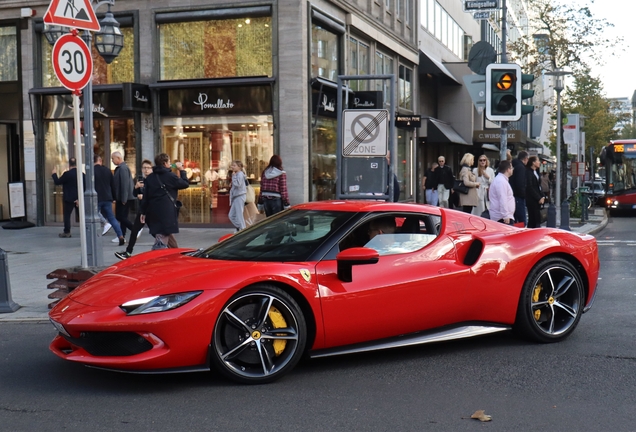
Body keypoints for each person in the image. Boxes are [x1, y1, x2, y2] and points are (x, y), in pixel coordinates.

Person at [140, 153, 189, 248]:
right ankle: (158, 258)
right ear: (164, 163)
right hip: (167, 212)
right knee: (161, 240)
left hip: (153, 211)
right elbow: (185, 184)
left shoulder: (150, 178)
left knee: (167, 236)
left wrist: (143, 212)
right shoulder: (170, 176)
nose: (170, 164)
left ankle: (176, 255)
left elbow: (146, 197)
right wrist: (182, 170)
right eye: (169, 162)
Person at [115, 159, 153, 260]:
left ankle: (170, 247)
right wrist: (136, 188)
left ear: (152, 169)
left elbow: (152, 195)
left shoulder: (154, 180)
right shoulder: (141, 180)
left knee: (156, 232)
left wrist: (143, 196)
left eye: (148, 168)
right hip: (142, 210)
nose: (146, 170)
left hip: (151, 210)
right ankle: (128, 252)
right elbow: (135, 194)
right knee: (135, 230)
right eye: (144, 168)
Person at [93, 155, 125, 246]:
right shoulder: (107, 171)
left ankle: (95, 238)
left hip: (96, 198)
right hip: (107, 198)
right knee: (111, 218)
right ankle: (120, 236)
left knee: (94, 217)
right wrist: (114, 198)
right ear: (100, 160)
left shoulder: (91, 171)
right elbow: (113, 185)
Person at [52, 157, 84, 238]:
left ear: (69, 165)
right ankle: (85, 231)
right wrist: (79, 199)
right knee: (81, 216)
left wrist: (54, 174)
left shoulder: (67, 174)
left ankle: (67, 232)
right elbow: (85, 187)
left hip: (69, 198)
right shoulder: (82, 174)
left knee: (67, 215)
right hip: (78, 199)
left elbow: (57, 182)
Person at [111, 151, 135, 242]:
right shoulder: (121, 168)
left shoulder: (123, 168)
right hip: (122, 197)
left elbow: (124, 184)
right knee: (122, 217)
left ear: (118, 158)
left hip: (124, 198)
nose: (112, 161)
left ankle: (134, 229)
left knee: (120, 216)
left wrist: (124, 198)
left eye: (113, 158)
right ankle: (122, 235)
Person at [489, 160, 516, 225]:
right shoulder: (501, 181)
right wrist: (506, 215)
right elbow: (502, 199)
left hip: (502, 216)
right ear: (508, 170)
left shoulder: (501, 180)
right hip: (502, 218)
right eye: (512, 168)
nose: (513, 169)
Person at [525, 156, 546, 228]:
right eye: (537, 161)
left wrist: (542, 196)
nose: (539, 162)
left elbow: (539, 186)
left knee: (538, 219)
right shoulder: (528, 172)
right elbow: (530, 187)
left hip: (538, 198)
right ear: (533, 162)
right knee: (533, 219)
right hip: (532, 199)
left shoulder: (536, 172)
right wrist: (538, 198)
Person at [510, 151, 529, 226]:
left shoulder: (514, 166)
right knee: (522, 219)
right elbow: (520, 183)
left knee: (515, 218)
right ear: (525, 159)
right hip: (518, 197)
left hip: (513, 195)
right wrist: (523, 195)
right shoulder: (521, 168)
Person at [229, 160, 247, 231]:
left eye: (234, 165)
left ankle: (243, 229)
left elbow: (238, 184)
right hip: (236, 196)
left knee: (239, 215)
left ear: (239, 167)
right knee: (231, 215)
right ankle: (241, 228)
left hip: (239, 196)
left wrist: (233, 177)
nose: (232, 167)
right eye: (232, 165)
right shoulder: (237, 174)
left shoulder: (239, 174)